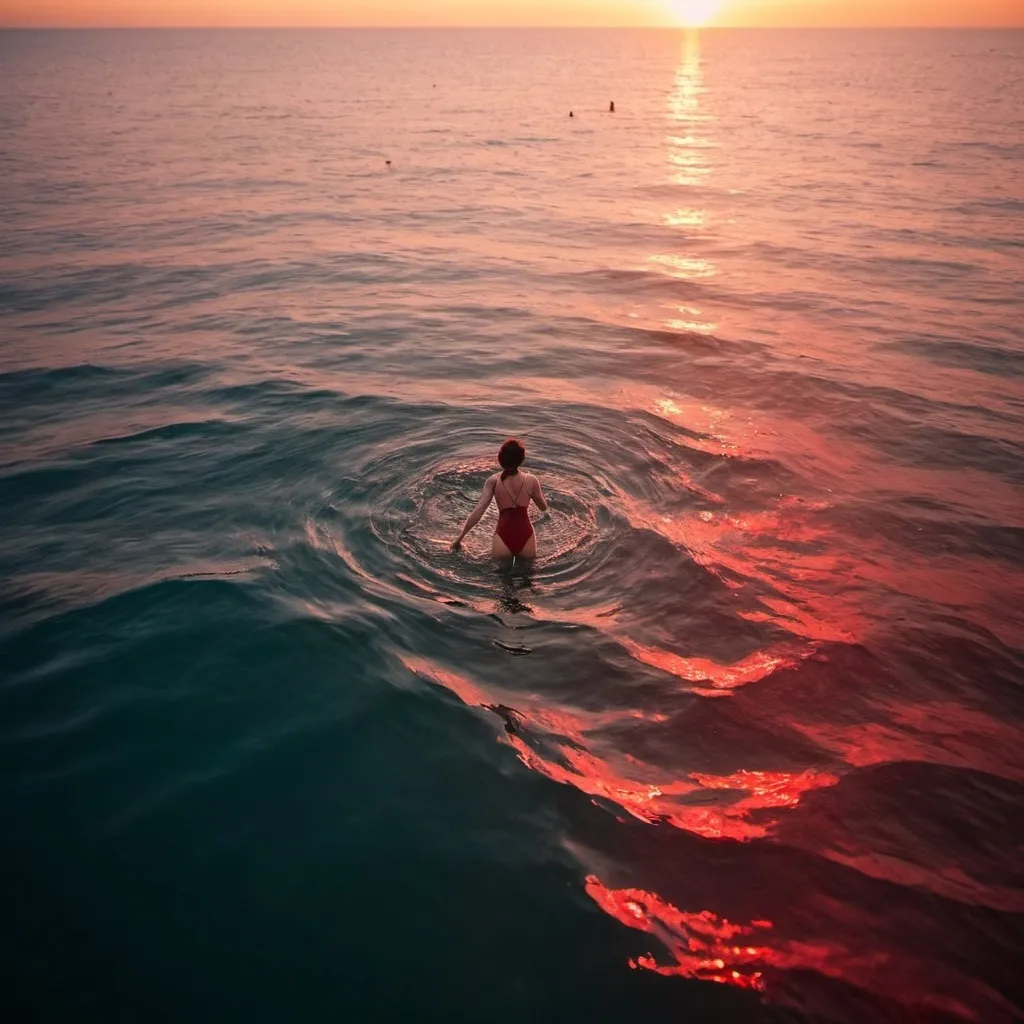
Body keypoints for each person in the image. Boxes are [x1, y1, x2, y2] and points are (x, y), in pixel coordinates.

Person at [451, 438, 548, 558]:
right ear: (521, 459)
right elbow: (543, 507)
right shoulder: (532, 480)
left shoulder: (492, 481)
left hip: (502, 537)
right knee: (529, 574)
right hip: (526, 535)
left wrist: (459, 539)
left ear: (500, 459)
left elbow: (479, 510)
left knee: (499, 575)